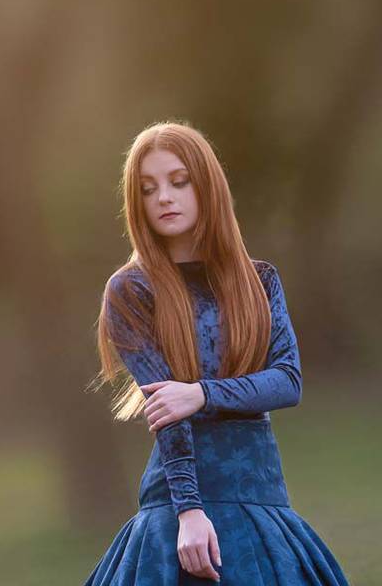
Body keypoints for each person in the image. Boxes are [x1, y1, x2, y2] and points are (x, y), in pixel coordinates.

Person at [84, 121, 350, 585]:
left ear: (206, 187)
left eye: (178, 181)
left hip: (261, 498)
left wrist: (202, 394)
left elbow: (287, 381)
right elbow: (166, 410)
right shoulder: (130, 290)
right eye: (148, 189)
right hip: (180, 511)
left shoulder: (260, 281)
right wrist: (189, 512)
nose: (164, 197)